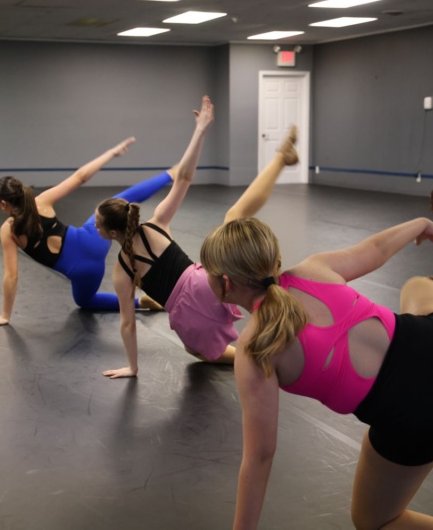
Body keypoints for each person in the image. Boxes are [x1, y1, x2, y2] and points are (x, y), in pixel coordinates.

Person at [199, 216, 433, 530]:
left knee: (374, 520)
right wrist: (419, 223)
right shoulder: (315, 268)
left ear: (226, 284)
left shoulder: (255, 350)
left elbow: (260, 458)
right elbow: (376, 250)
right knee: (419, 287)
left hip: (420, 417)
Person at [94, 95, 299, 378]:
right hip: (208, 282)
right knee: (235, 215)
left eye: (97, 225)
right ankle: (279, 160)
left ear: (113, 233)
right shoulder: (156, 224)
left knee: (199, 351)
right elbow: (184, 178)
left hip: (186, 314)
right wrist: (200, 131)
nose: (94, 227)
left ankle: (260, 360)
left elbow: (128, 324)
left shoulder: (122, 268)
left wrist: (132, 367)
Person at [0, 138, 172, 327]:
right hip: (94, 240)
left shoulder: (9, 230)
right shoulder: (41, 201)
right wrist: (111, 153)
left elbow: (11, 276)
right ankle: (170, 175)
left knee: (85, 301)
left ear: (3, 204)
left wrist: (5, 315)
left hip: (85, 272)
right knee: (118, 201)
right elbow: (81, 177)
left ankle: (140, 302)